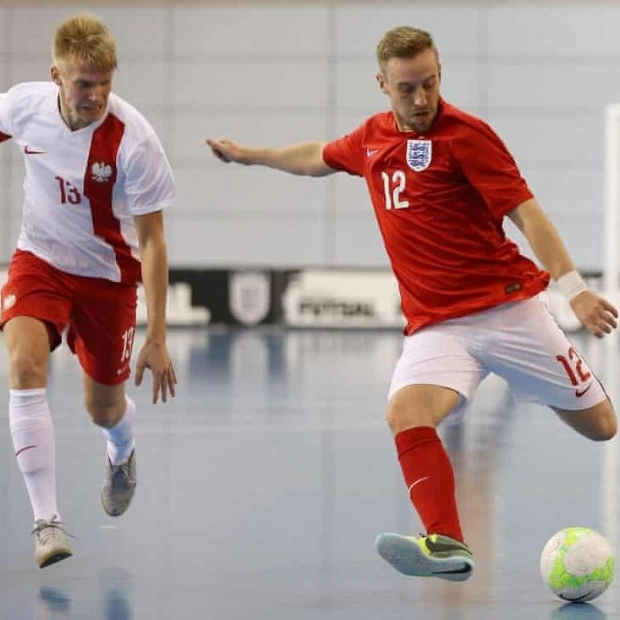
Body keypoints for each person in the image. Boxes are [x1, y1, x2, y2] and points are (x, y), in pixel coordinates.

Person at [206, 25, 618, 582]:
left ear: (440, 71)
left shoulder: (469, 137)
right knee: (405, 413)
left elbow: (530, 217)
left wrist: (575, 290)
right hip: (437, 327)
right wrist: (249, 156)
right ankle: (446, 541)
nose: (421, 99)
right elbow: (315, 156)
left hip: (509, 312)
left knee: (602, 427)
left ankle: (534, 380)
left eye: (429, 83)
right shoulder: (371, 139)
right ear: (382, 83)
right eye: (407, 89)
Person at [0, 13, 177, 569]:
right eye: (83, 83)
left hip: (108, 280)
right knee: (25, 366)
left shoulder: (134, 140)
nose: (96, 94)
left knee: (101, 408)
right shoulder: (24, 106)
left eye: (105, 81)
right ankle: (46, 522)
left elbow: (152, 242)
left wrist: (157, 336)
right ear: (56, 75)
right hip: (40, 260)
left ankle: (121, 448)